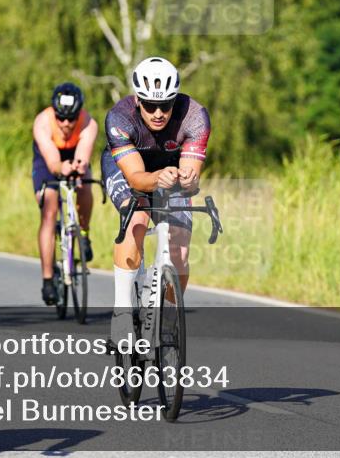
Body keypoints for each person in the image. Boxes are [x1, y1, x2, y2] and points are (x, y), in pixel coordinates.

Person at [101, 57, 210, 347]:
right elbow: (137, 178)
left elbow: (192, 175)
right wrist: (157, 176)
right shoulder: (119, 118)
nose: (159, 113)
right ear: (138, 100)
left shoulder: (195, 116)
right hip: (129, 168)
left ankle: (170, 319)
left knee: (181, 249)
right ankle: (122, 312)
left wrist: (188, 179)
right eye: (150, 105)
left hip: (170, 172)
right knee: (137, 219)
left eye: (166, 104)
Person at [32, 82, 98, 305]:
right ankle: (48, 279)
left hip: (74, 153)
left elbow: (83, 154)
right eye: (61, 118)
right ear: (54, 113)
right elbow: (52, 161)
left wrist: (78, 167)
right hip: (47, 159)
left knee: (85, 185)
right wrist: (61, 168)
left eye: (72, 118)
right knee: (49, 211)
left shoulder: (88, 123)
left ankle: (85, 235)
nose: (67, 124)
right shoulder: (42, 123)